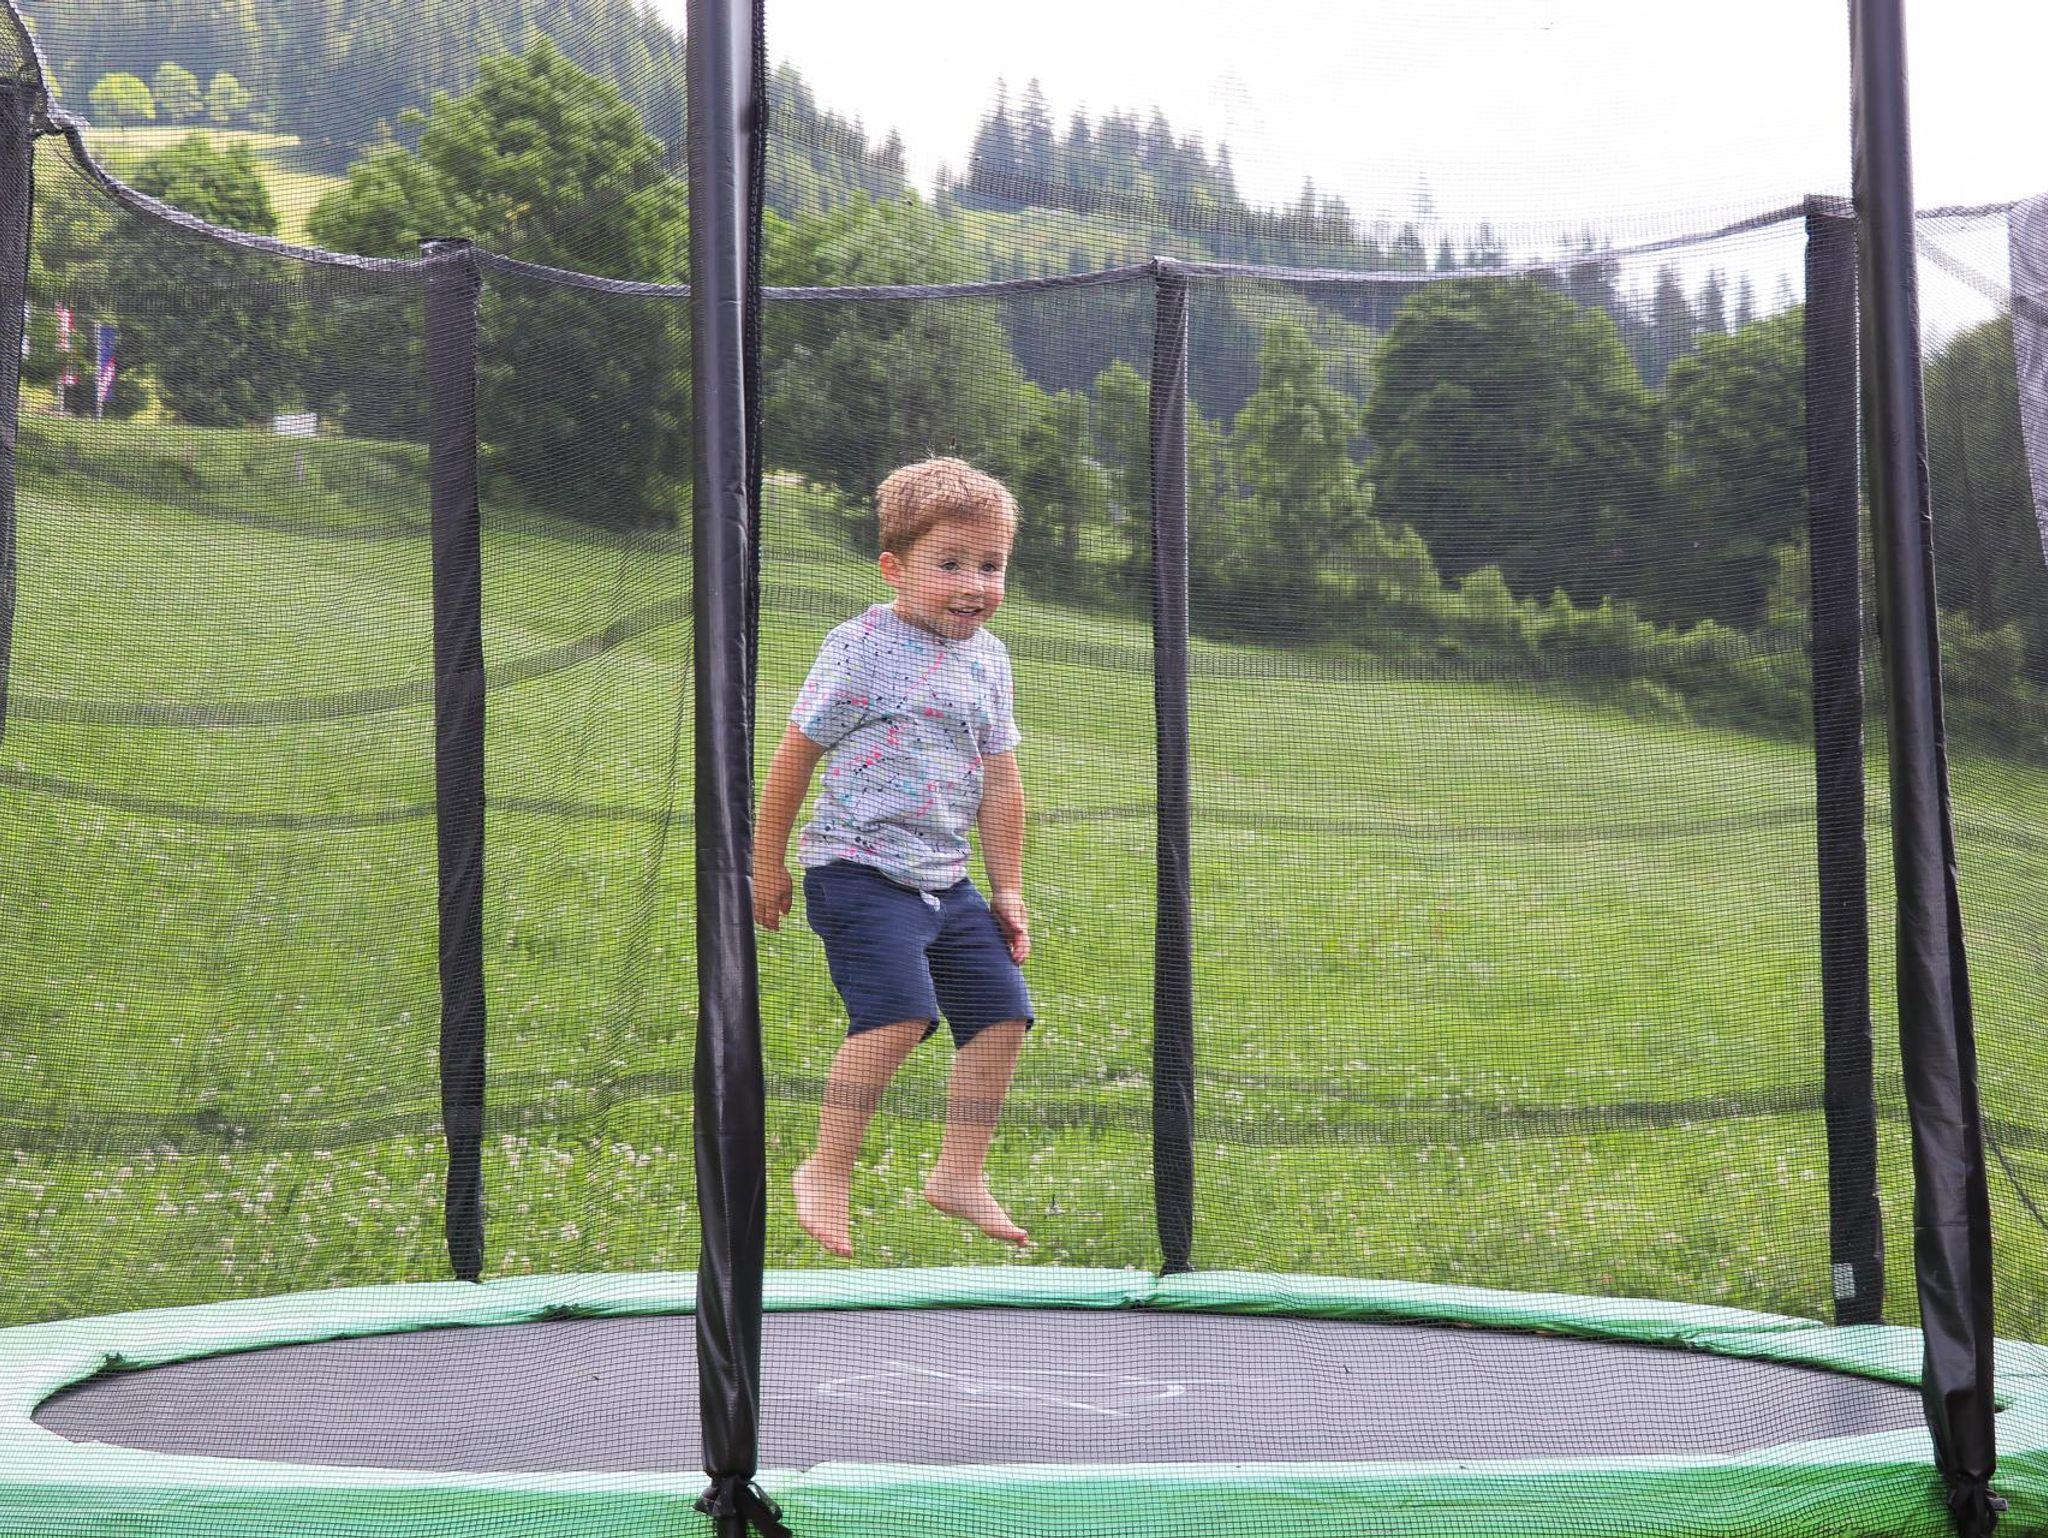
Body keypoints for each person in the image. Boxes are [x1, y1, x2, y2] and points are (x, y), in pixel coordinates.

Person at [753, 457, 1033, 1259]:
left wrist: (1008, 890)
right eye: (950, 564)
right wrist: (766, 863)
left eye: (990, 566)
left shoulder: (990, 659)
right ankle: (826, 1169)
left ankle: (958, 1174)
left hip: (946, 880)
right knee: (900, 1016)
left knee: (1003, 1015)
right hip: (857, 870)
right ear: (895, 568)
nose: (973, 585)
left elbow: (1002, 783)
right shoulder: (862, 648)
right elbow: (794, 757)